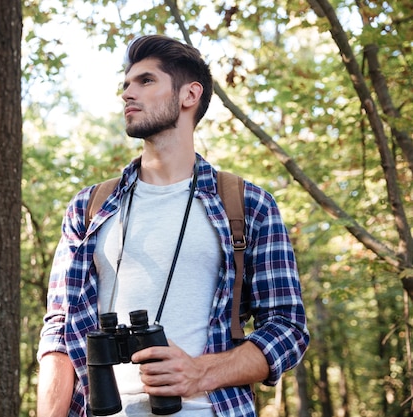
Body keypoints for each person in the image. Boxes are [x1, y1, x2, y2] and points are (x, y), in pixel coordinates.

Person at [36, 34, 309, 417]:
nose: (128, 93)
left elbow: (287, 329)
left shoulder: (247, 205)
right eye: (126, 83)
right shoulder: (88, 207)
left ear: (189, 95)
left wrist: (199, 373)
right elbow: (60, 332)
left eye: (146, 81)